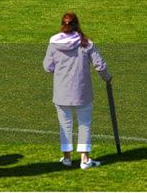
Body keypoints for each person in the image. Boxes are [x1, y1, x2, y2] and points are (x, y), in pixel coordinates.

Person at [43, 11, 112, 169]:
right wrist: (107, 78)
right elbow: (100, 65)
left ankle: (67, 158)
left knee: (65, 125)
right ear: (77, 24)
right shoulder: (86, 43)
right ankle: (85, 159)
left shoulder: (54, 43)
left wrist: (60, 69)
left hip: (61, 92)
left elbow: (47, 67)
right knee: (84, 124)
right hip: (82, 92)